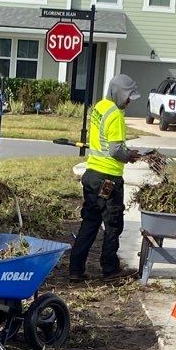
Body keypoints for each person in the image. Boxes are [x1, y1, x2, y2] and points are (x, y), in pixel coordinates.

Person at [69, 73, 141, 282]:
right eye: (128, 97)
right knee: (113, 225)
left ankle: (75, 269)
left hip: (91, 175)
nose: (128, 101)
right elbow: (115, 150)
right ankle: (110, 269)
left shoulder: (100, 107)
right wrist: (130, 156)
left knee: (90, 222)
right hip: (109, 179)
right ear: (120, 93)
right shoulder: (116, 115)